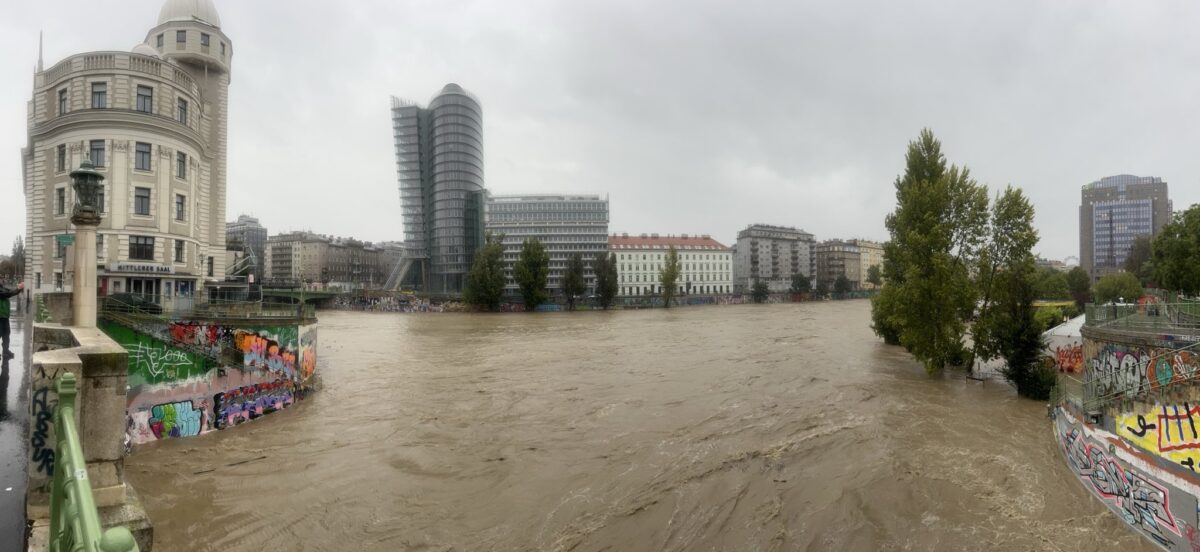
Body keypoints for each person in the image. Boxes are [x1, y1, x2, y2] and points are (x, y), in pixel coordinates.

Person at [0, 282, 23, 360]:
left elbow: (9, 291)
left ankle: (5, 351)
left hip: (5, 316)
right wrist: (17, 289)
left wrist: (18, 288)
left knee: (6, 334)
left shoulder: (2, 288)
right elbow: (6, 294)